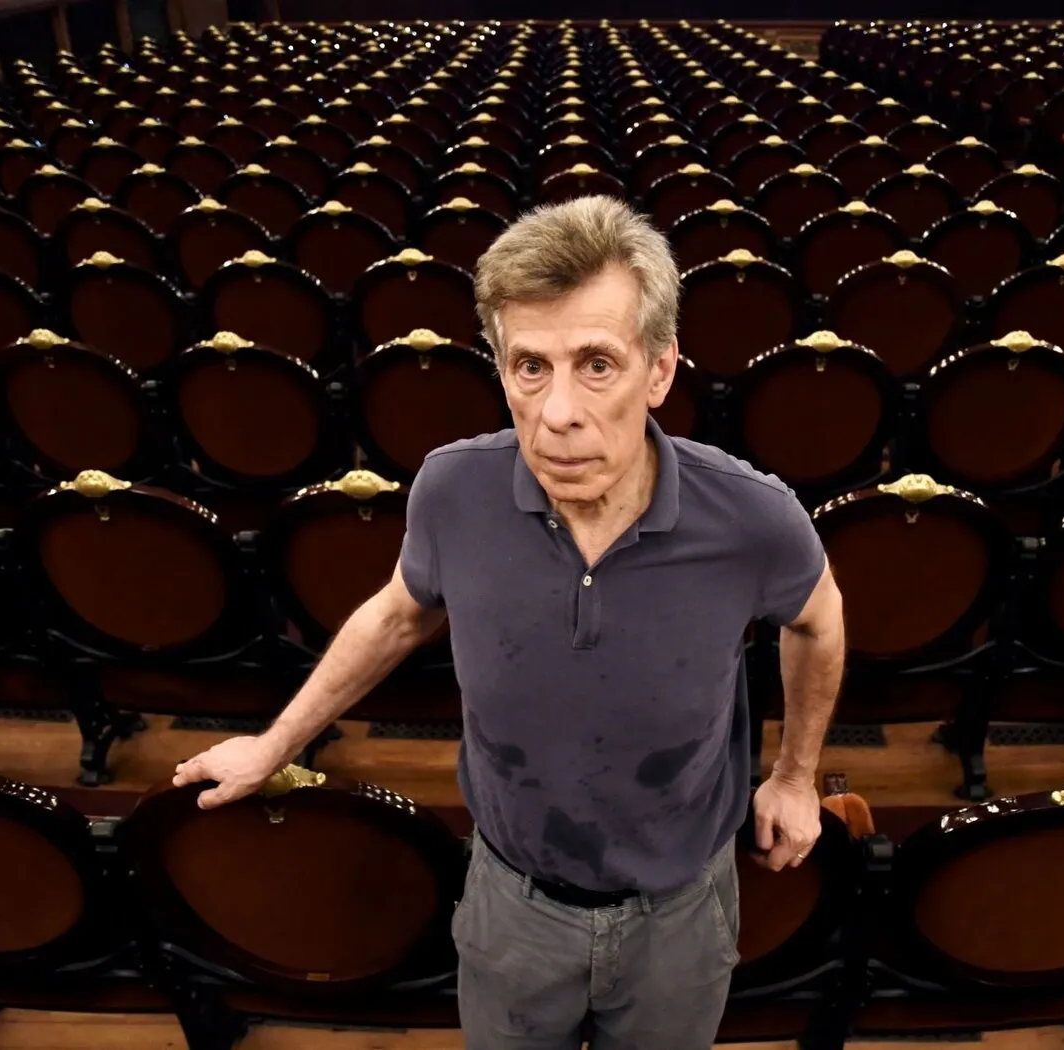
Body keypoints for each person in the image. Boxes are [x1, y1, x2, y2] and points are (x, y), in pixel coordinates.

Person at [173, 195, 845, 1050]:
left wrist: (795, 775)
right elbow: (397, 614)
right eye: (531, 366)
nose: (558, 412)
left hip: (681, 906)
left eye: (596, 364)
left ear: (660, 372)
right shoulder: (453, 489)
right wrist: (274, 745)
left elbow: (819, 621)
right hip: (511, 898)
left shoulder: (754, 517)